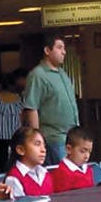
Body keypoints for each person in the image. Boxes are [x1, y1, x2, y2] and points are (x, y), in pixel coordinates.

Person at [23, 35, 79, 165]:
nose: (64, 52)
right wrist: (37, 141)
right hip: (53, 139)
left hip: (72, 137)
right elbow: (32, 108)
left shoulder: (62, 73)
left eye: (64, 48)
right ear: (47, 50)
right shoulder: (37, 75)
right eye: (59, 48)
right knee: (61, 174)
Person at [0, 69, 26, 175]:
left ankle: (2, 180)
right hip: (16, 136)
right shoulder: (19, 99)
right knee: (15, 162)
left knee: (0, 163)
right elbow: (21, 119)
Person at [3, 126, 53, 198]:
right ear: (21, 150)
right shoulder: (13, 179)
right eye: (37, 144)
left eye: (44, 146)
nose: (43, 150)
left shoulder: (45, 173)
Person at [50, 126, 95, 193]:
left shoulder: (88, 170)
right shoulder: (62, 174)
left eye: (89, 152)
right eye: (82, 151)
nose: (87, 156)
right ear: (69, 149)